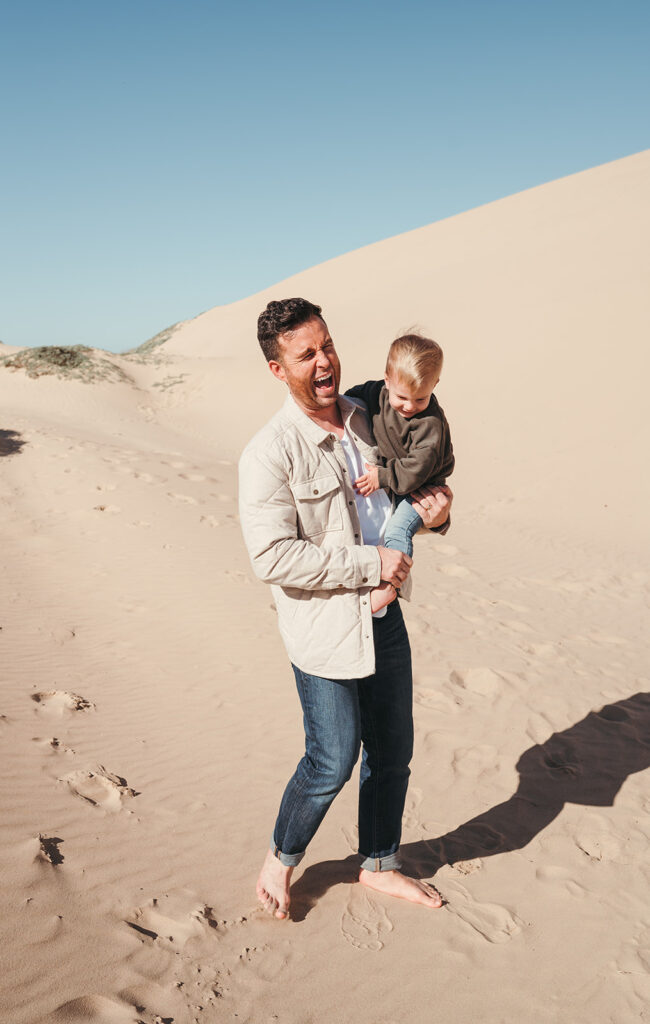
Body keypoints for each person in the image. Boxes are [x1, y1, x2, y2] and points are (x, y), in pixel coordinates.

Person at [238, 298, 452, 920]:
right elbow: (272, 557)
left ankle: (379, 865)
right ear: (278, 370)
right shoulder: (270, 452)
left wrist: (437, 515)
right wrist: (370, 567)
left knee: (394, 751)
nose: (324, 361)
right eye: (306, 354)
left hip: (384, 619)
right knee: (332, 759)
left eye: (326, 345)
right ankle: (281, 859)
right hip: (325, 631)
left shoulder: (369, 414)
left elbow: (413, 486)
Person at [345, 334, 454, 612]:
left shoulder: (430, 422)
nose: (409, 406)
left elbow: (417, 468)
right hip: (400, 478)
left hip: (422, 487)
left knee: (397, 529)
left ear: (435, 386)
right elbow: (349, 399)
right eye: (401, 397)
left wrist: (381, 477)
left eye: (421, 398)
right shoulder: (375, 392)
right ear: (387, 380)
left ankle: (390, 587)